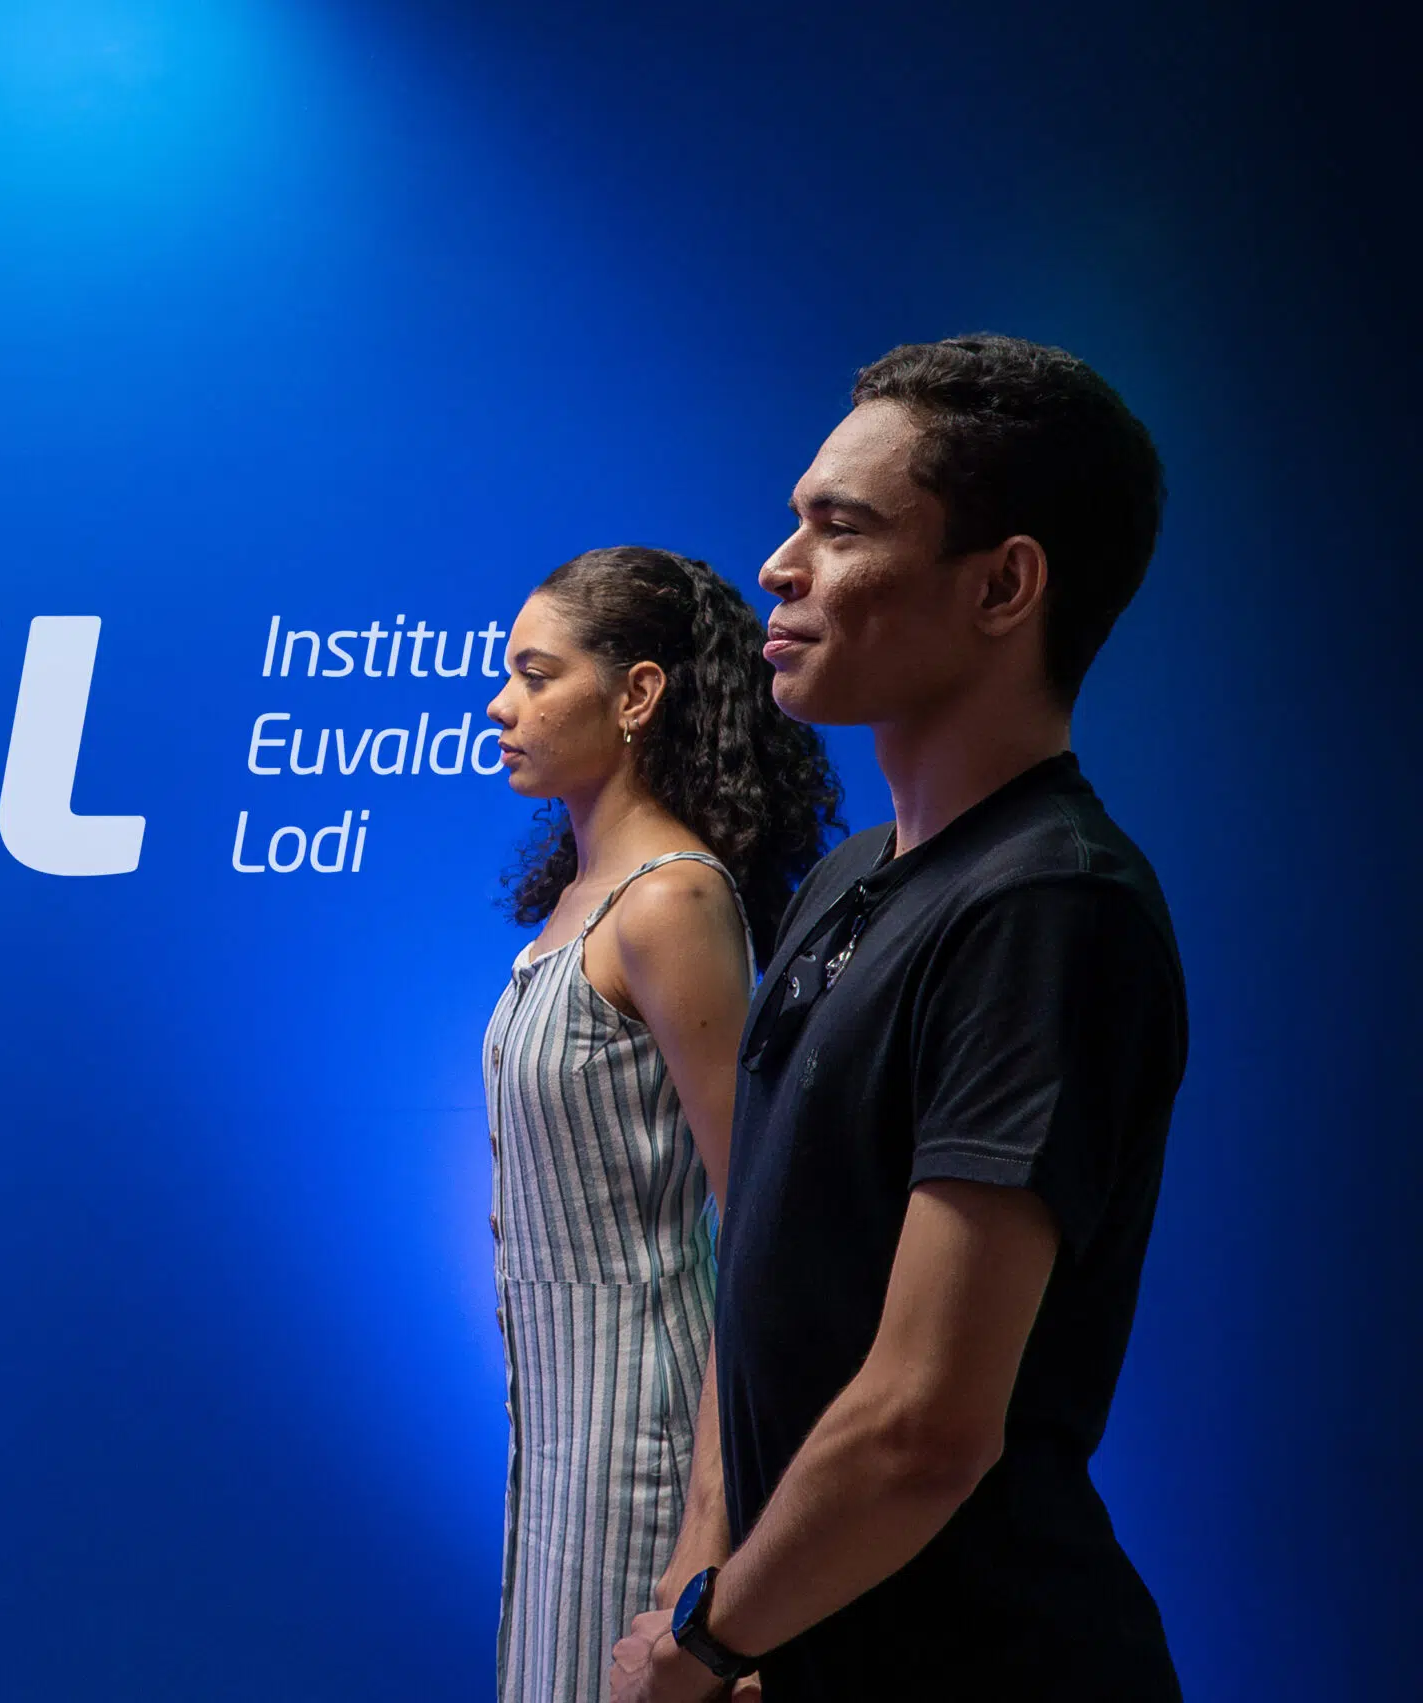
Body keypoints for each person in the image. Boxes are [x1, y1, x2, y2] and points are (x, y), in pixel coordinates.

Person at [611, 336, 1183, 1702]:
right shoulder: (850, 876)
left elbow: (926, 1423)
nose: (778, 565)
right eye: (796, 519)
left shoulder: (1049, 903)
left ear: (1003, 586)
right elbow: (763, 1278)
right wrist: (716, 1593)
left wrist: (703, 1643)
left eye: (842, 527)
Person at [483, 546, 841, 1703]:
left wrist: (710, 1528)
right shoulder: (577, 904)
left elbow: (757, 1224)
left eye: (537, 674)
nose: (500, 704)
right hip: (558, 1445)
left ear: (637, 693)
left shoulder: (672, 899)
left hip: (645, 1444)